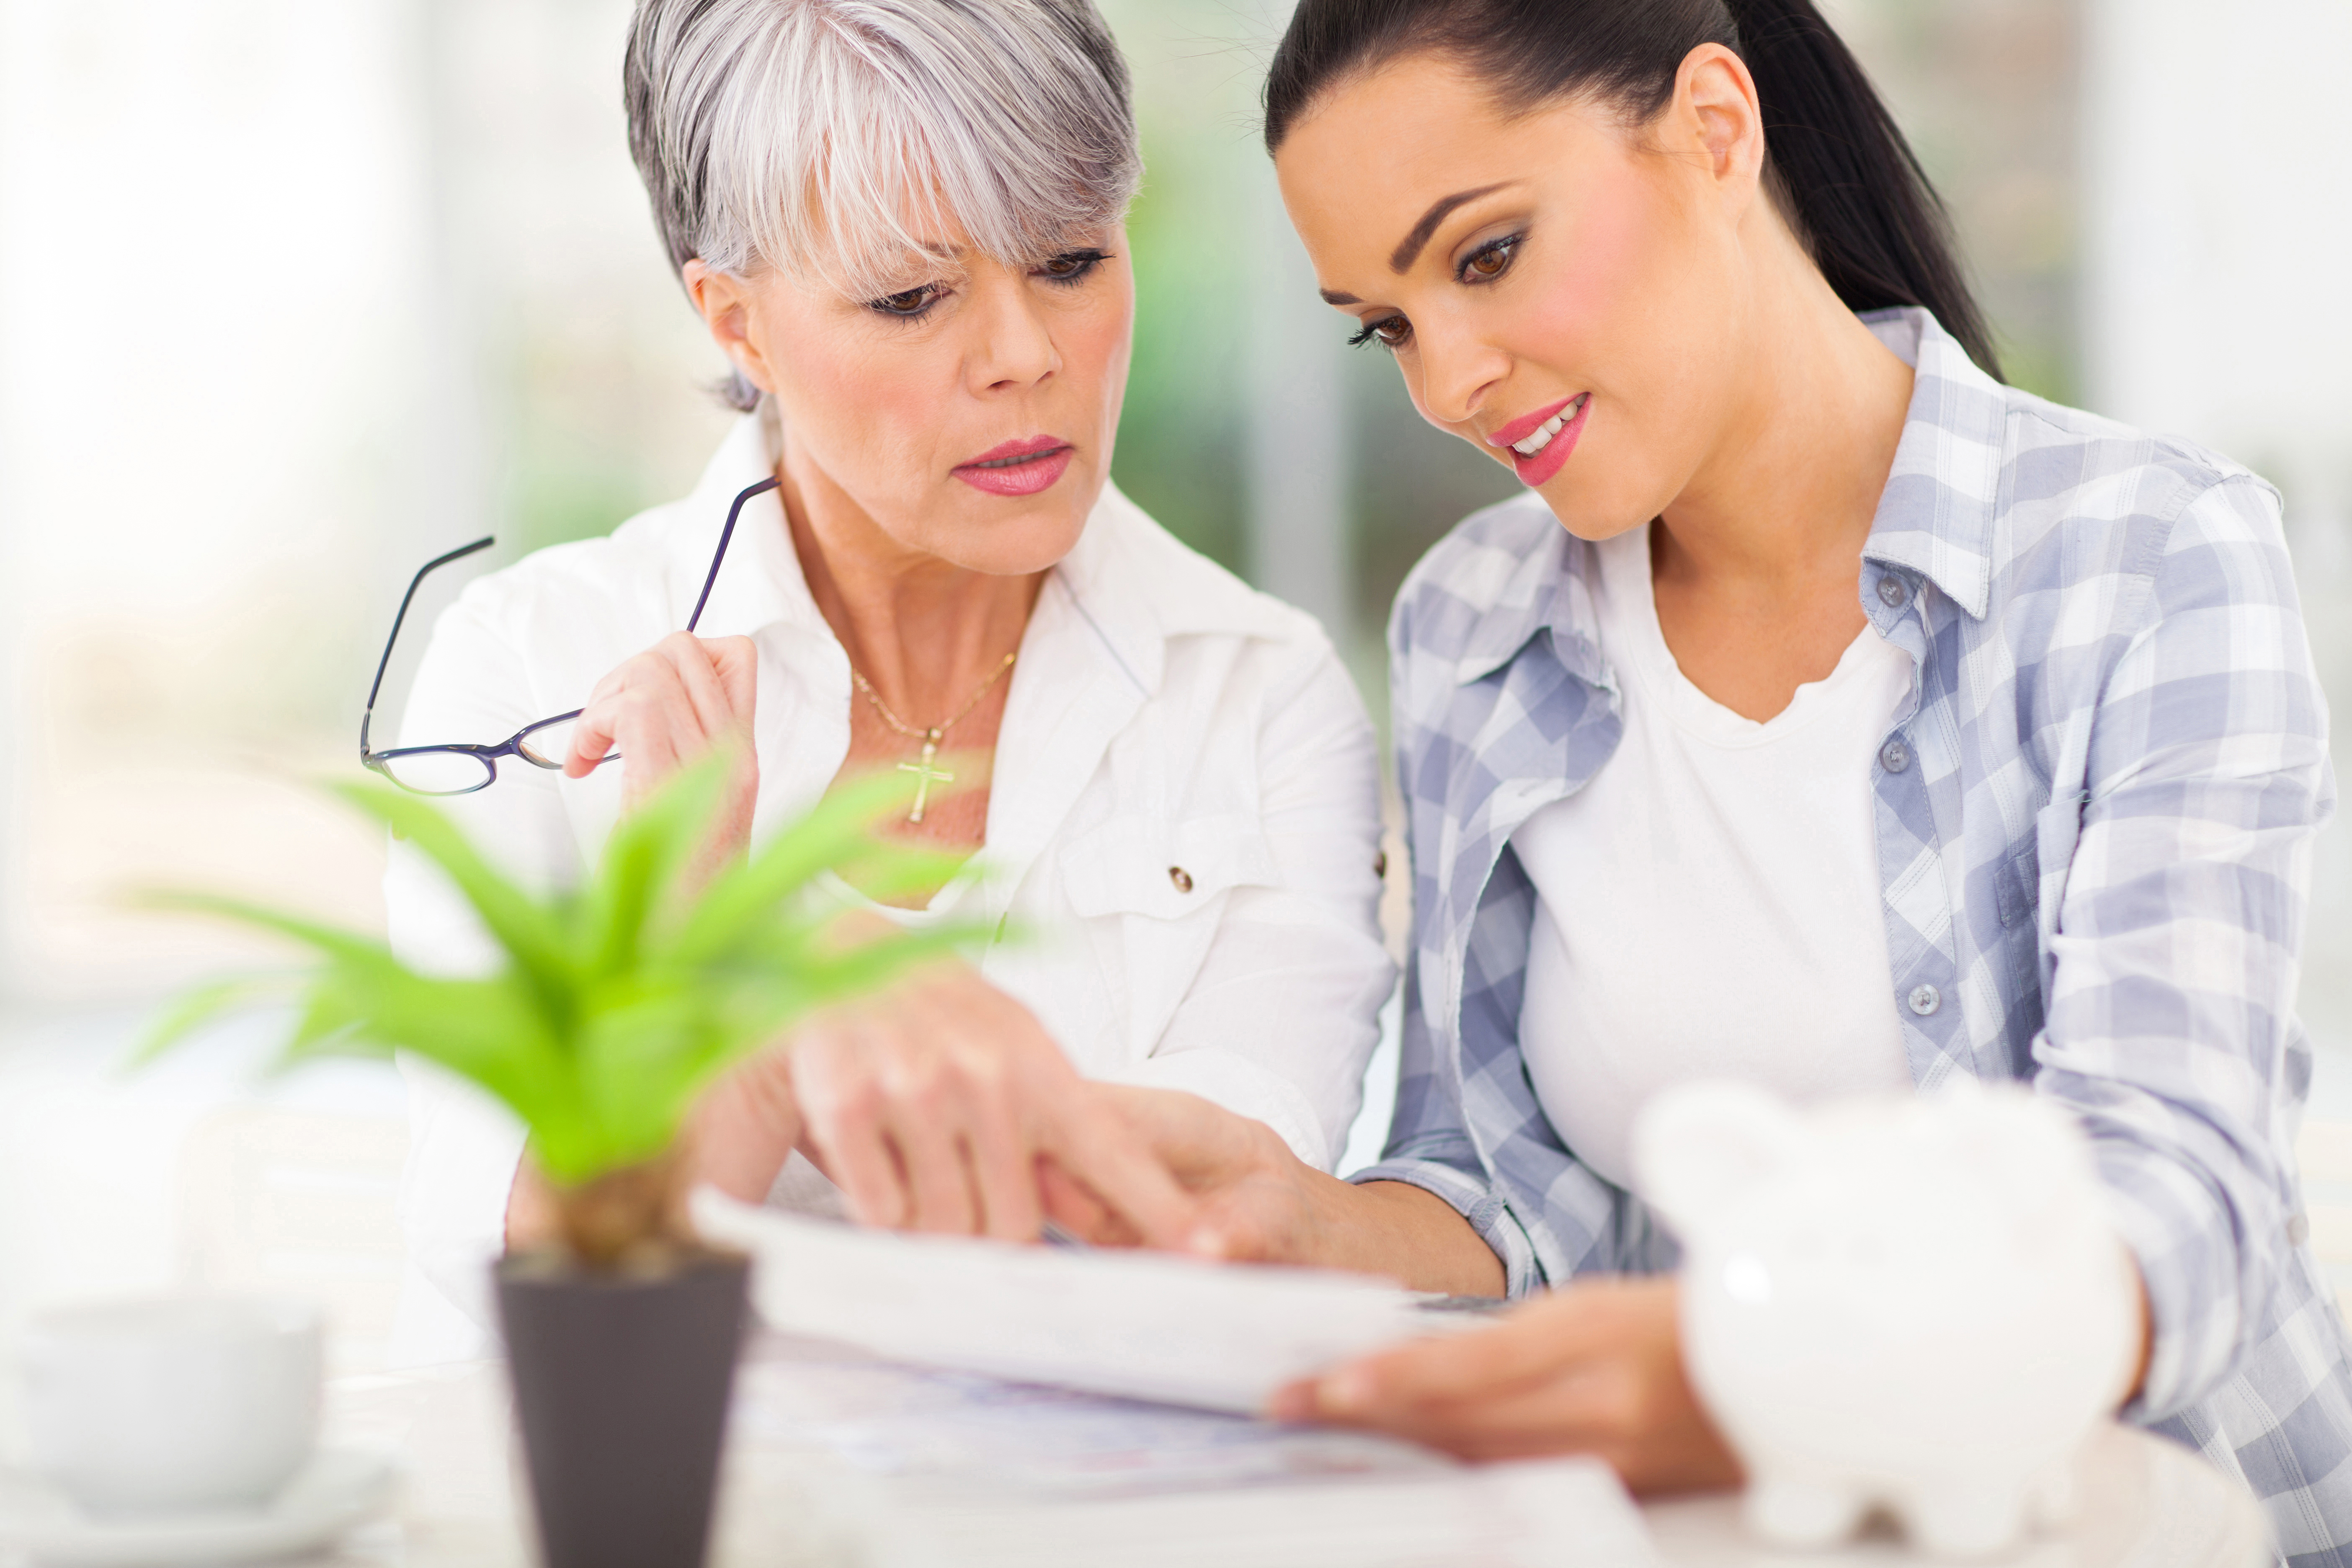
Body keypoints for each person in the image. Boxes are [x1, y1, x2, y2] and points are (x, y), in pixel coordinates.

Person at [1062, 0, 2352, 1549]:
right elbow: (1503, 1185)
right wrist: (1306, 1218)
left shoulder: (2146, 560)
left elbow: (2180, 1189)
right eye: (1386, 323)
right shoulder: (1472, 626)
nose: (1449, 382)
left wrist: (1777, 1373)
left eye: (1485, 255)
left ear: (1716, 130)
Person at [384, 0, 1391, 1363]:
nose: (1024, 354)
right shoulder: (529, 674)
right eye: (913, 297)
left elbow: (1225, 1228)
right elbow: (556, 1292)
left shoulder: (1260, 696)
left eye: (1074, 261)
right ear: (736, 323)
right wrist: (701, 935)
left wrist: (814, 960)